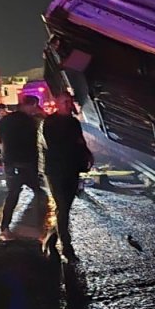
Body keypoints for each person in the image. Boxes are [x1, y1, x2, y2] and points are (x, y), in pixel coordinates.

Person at [41, 90, 93, 262]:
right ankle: (67, 248)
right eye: (64, 102)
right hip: (55, 170)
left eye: (69, 101)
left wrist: (86, 154)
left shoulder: (73, 122)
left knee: (65, 209)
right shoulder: (50, 122)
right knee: (62, 207)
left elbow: (80, 142)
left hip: (72, 169)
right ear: (57, 103)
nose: (68, 105)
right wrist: (75, 145)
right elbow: (55, 146)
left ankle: (52, 236)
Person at [0, 95, 46, 239]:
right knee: (39, 193)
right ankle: (36, 227)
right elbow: (34, 142)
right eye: (34, 107)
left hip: (10, 161)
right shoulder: (29, 121)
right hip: (26, 162)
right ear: (30, 105)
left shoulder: (6, 120)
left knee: (13, 194)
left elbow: (0, 138)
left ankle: (5, 228)